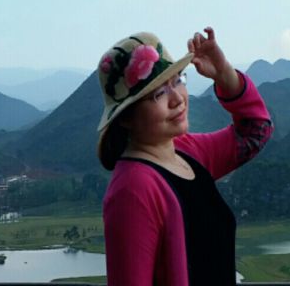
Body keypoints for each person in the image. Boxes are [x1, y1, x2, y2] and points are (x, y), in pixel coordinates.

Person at [96, 27, 273, 286]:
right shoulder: (133, 189)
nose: (177, 99)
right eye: (158, 94)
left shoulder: (187, 153)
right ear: (125, 118)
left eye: (178, 80)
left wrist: (223, 73)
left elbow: (256, 130)